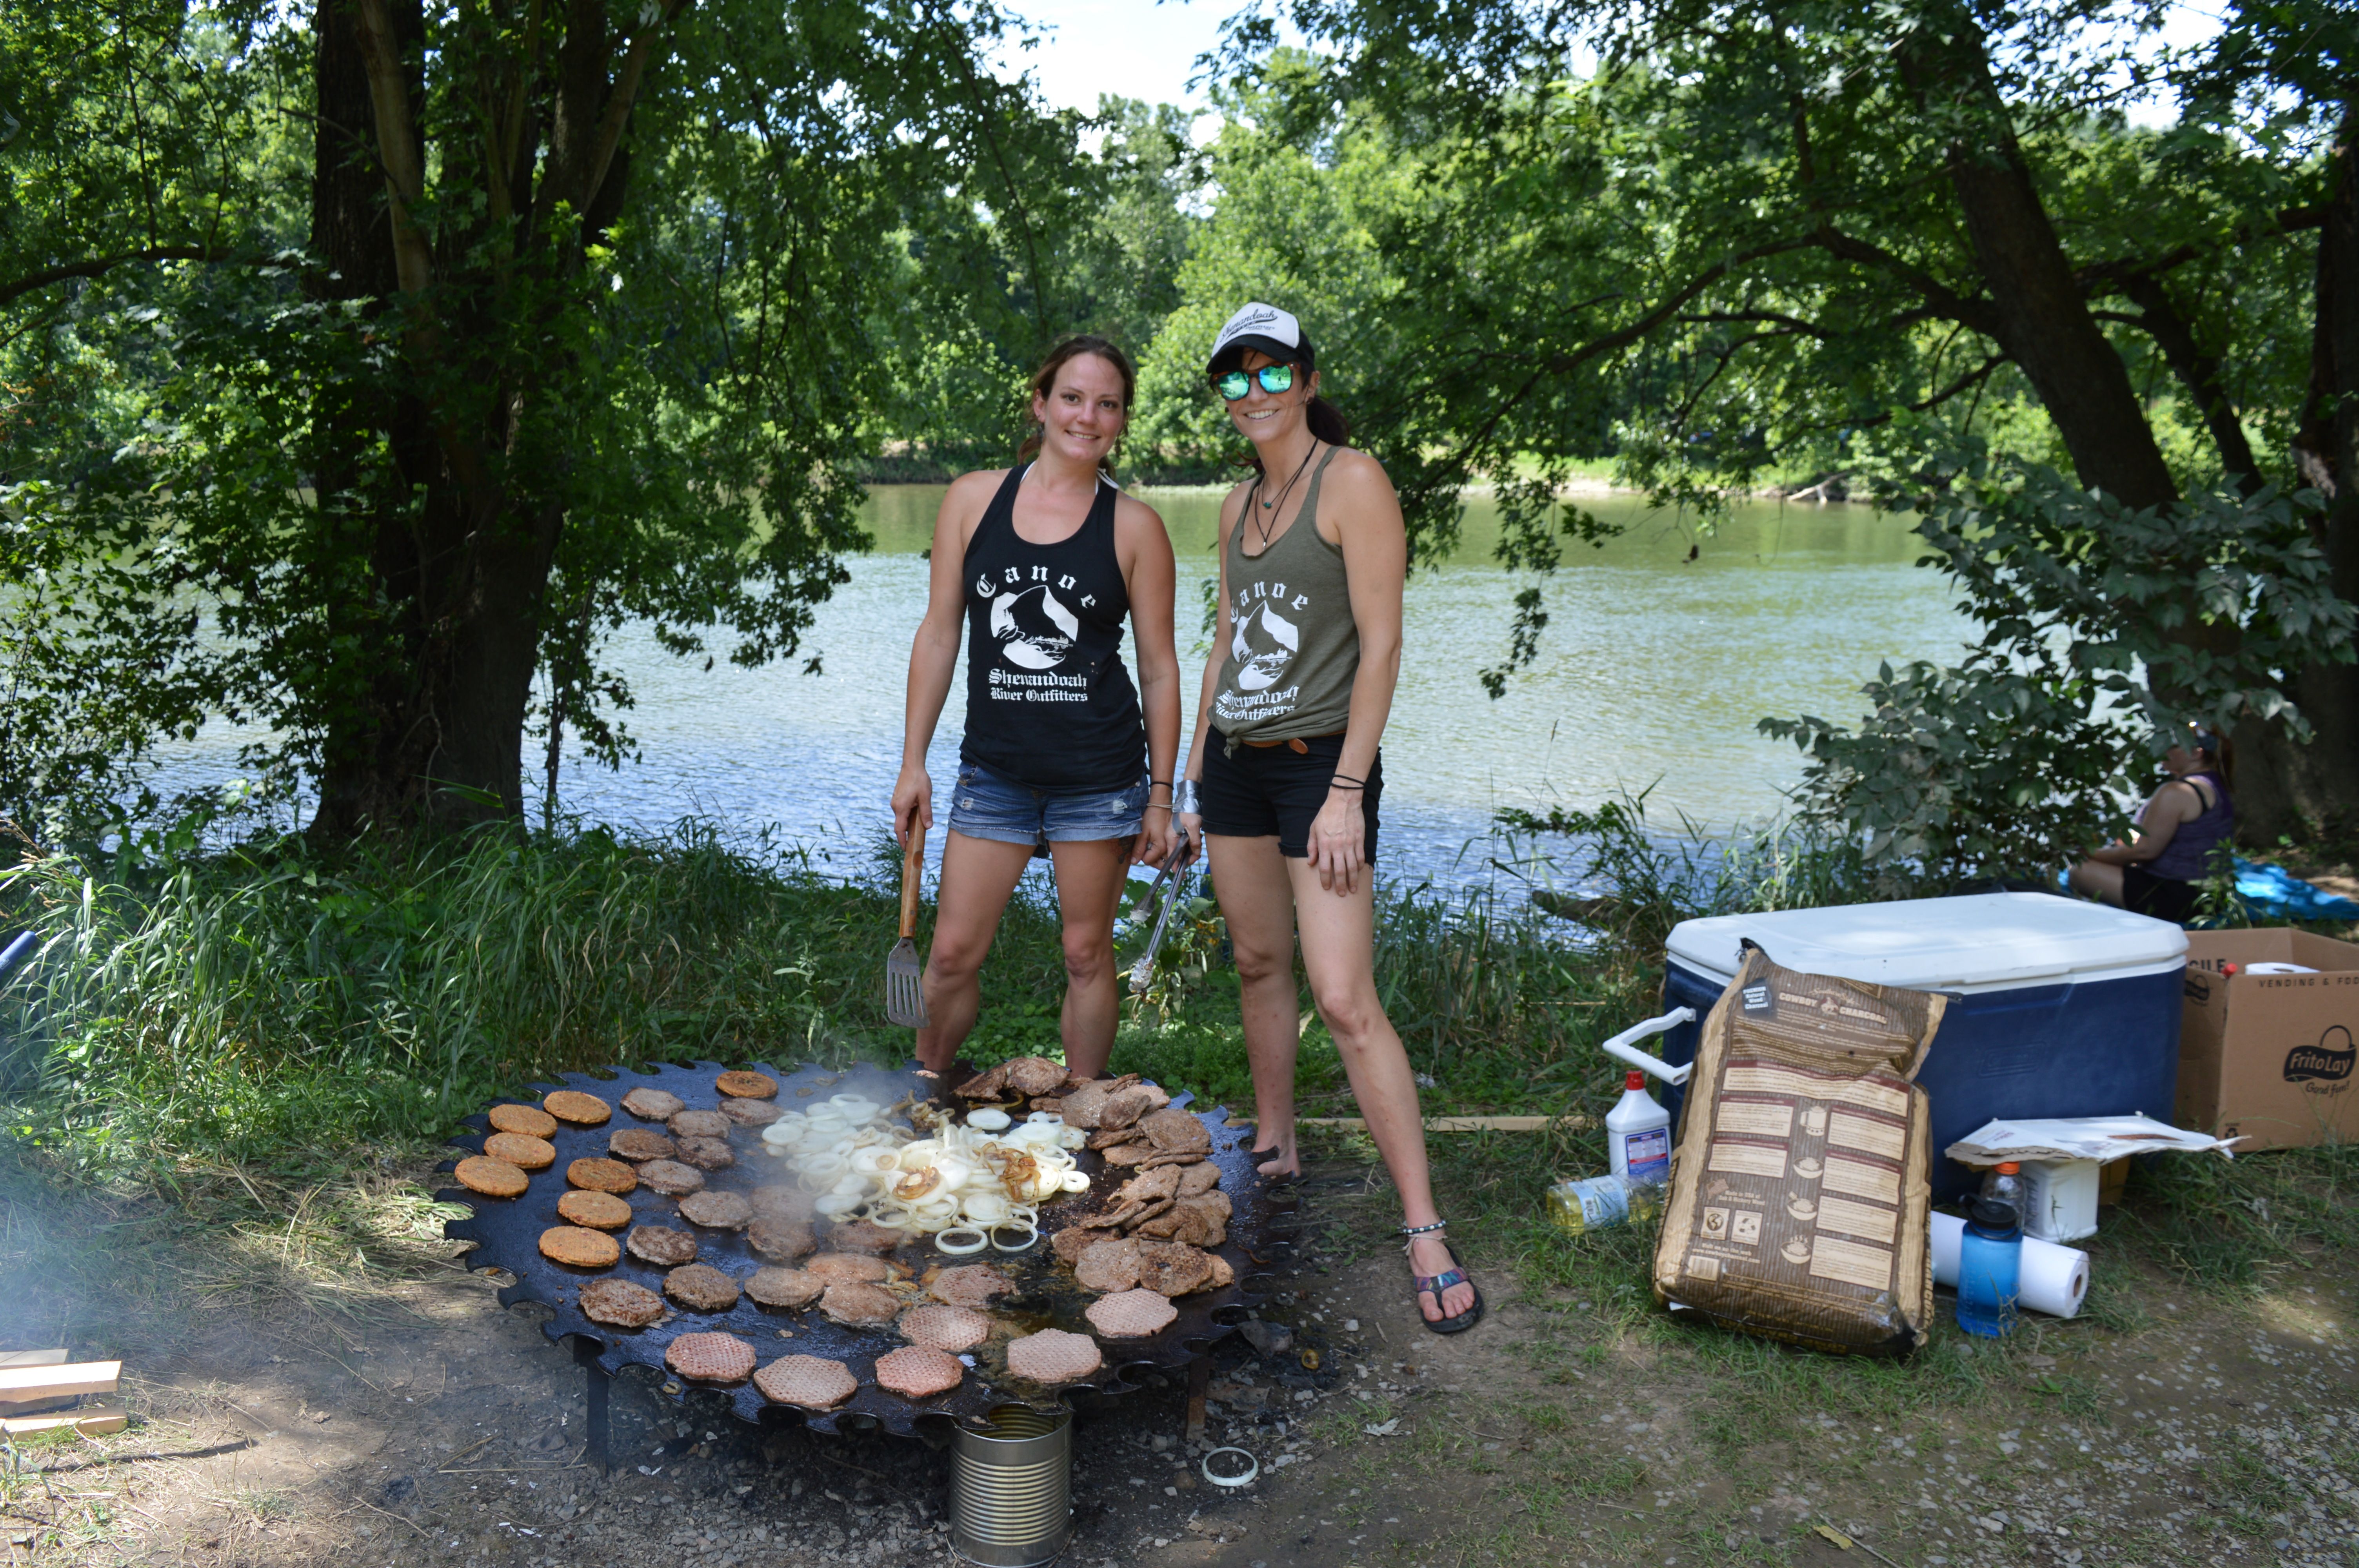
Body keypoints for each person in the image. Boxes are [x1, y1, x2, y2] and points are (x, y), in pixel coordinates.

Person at [1173, 301, 1482, 1335]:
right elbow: (1224, 643)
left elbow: (1384, 645)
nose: (1253, 392)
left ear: (1305, 381)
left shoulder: (1352, 481)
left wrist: (1349, 791)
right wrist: (1185, 780)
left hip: (1320, 773)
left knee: (1346, 999)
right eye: (1233, 377)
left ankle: (1424, 1228)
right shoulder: (1232, 506)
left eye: (1271, 373)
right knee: (1260, 965)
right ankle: (1276, 1147)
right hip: (1234, 769)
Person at [894, 336, 1182, 1079]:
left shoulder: (1135, 528)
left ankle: (1085, 1108)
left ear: (1121, 420)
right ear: (1041, 403)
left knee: (1087, 953)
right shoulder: (972, 499)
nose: (1088, 416)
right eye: (1073, 398)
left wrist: (1160, 796)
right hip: (995, 773)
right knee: (954, 951)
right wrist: (912, 763)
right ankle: (928, 1091)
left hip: (1100, 777)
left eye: (1107, 404)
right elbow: (938, 634)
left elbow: (1157, 669)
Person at [2068, 727, 2236, 924]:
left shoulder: (2178, 792)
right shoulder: (2215, 783)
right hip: (2215, 893)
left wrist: (2089, 853)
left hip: (2181, 896)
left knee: (2079, 870)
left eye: (2174, 744)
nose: (2164, 748)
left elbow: (2144, 852)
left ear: (2196, 753)